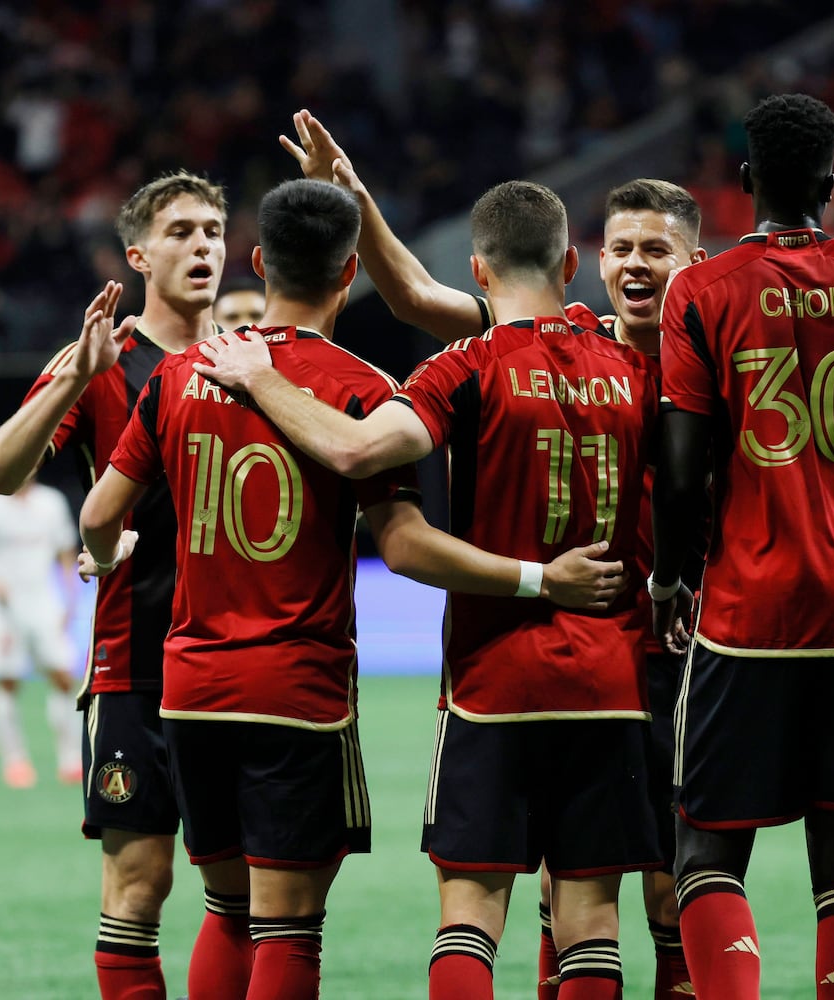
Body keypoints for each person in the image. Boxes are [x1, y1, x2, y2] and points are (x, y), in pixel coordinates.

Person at [79, 177, 624, 1000]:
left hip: (188, 689)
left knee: (228, 910)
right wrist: (539, 578)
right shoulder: (365, 390)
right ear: (346, 278)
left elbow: (96, 516)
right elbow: (403, 547)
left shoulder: (183, 374)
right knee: (288, 929)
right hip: (297, 688)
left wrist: (107, 548)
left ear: (258, 262)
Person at [279, 109, 707, 999]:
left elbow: (362, 453)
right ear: (570, 266)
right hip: (612, 681)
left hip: (491, 685)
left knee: (471, 916)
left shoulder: (461, 369)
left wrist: (260, 378)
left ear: (477, 270)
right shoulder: (635, 370)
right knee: (590, 922)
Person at [649, 93, 834, 999]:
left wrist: (669, 580)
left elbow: (678, 471)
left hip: (749, 608)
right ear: (832, 179)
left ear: (744, 180)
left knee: (705, 845)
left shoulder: (699, 292)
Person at [0, 170, 227, 999]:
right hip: (138, 665)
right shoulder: (106, 362)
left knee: (252, 904)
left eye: (214, 231)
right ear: (138, 256)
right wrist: (76, 380)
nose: (203, 247)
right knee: (137, 891)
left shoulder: (254, 363)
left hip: (240, 663)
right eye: (182, 232)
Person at [0, 477, 82, 788]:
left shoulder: (51, 501)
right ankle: (15, 761)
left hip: (44, 602)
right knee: (8, 681)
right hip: (4, 608)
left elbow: (66, 550)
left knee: (64, 676)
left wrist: (70, 596)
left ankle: (71, 760)